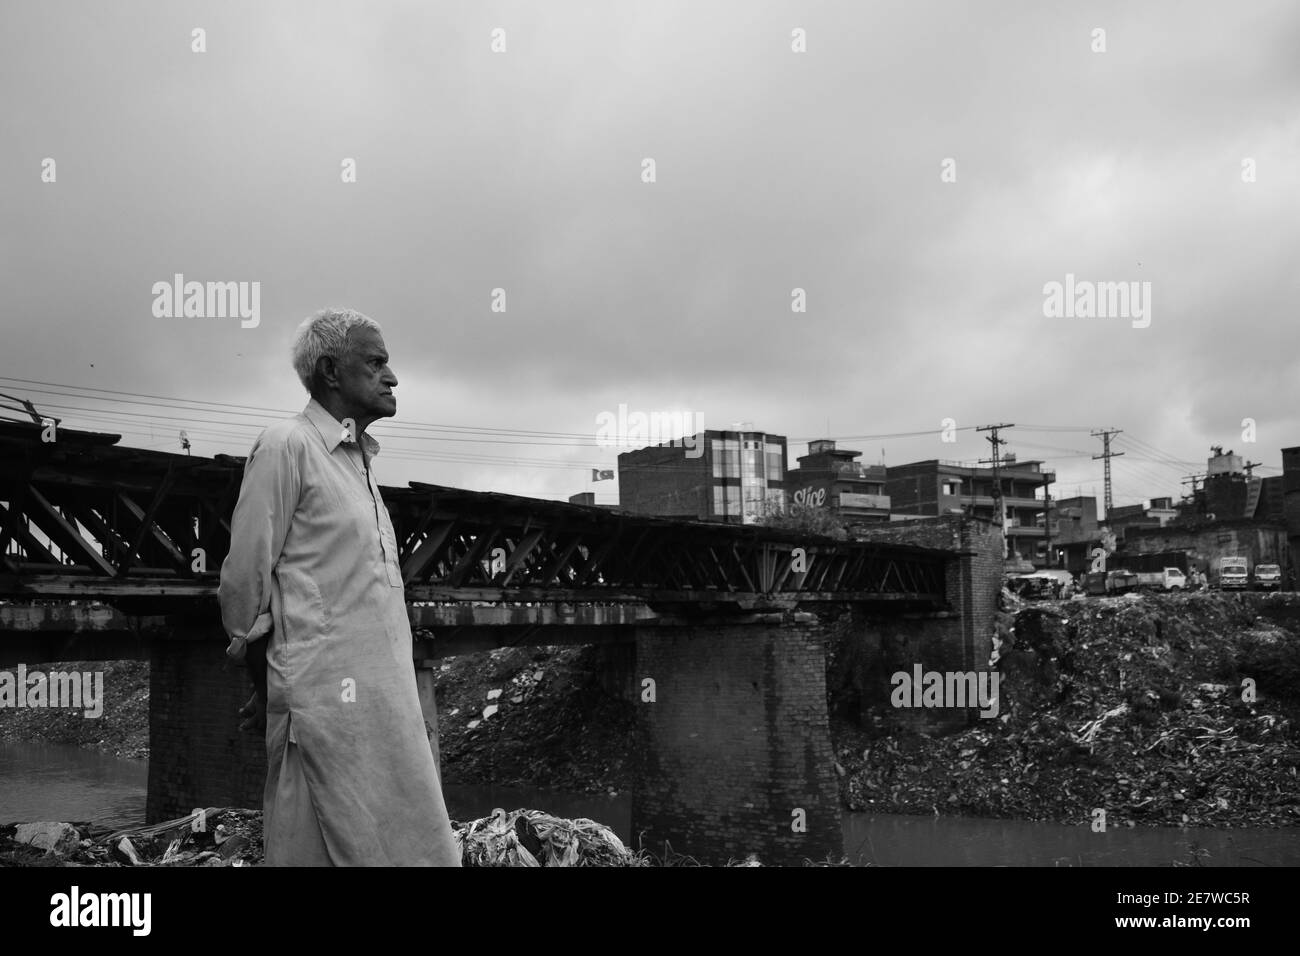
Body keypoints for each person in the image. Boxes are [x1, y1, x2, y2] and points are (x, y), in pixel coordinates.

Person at [218, 308, 460, 866]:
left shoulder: (359, 464)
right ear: (330, 370)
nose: (392, 377)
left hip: (385, 705)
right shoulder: (287, 447)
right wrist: (270, 682)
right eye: (375, 363)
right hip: (322, 714)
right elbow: (243, 584)